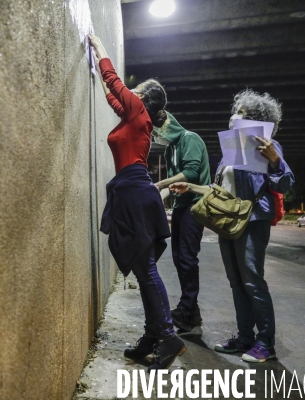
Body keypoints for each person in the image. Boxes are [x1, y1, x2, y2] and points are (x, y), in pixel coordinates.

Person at [169, 89, 294, 363]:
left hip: (253, 221)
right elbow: (220, 190)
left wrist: (274, 159)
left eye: (243, 114)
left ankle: (265, 343)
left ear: (256, 119)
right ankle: (245, 338)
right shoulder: (231, 151)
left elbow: (284, 184)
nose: (235, 117)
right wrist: (189, 186)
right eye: (237, 112)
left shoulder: (268, 145)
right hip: (229, 221)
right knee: (236, 283)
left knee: (253, 281)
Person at [89, 33, 186, 371]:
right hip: (132, 190)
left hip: (134, 191)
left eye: (137, 90)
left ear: (143, 96)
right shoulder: (133, 119)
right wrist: (96, 70)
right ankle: (152, 336)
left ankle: (167, 336)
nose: (131, 94)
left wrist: (98, 46)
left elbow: (114, 83)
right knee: (145, 270)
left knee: (145, 269)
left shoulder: (139, 111)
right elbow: (111, 95)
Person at [152, 112, 211, 333]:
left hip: (195, 206)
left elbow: (191, 172)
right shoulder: (169, 150)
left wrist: (159, 184)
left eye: (158, 132)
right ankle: (191, 311)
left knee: (187, 258)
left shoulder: (190, 139)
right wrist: (157, 195)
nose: (157, 137)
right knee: (178, 258)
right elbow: (174, 183)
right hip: (180, 206)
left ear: (168, 127)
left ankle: (187, 308)